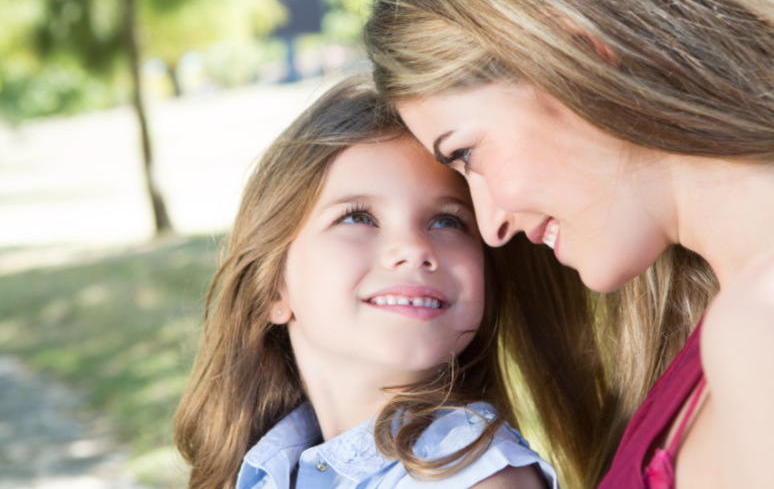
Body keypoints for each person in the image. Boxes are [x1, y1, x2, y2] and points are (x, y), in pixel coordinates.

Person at [363, 0, 774, 489]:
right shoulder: (717, 328)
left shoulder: (759, 321)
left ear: (574, 54)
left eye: (467, 153)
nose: (491, 227)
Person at [173, 77, 576, 489]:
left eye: (448, 221)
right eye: (358, 218)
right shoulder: (268, 466)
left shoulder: (479, 477)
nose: (414, 248)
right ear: (274, 287)